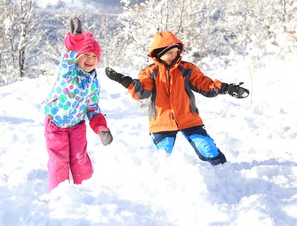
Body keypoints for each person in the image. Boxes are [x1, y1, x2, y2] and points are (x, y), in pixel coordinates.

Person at [105, 31, 249, 165]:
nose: (174, 55)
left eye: (176, 52)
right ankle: (160, 182)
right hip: (161, 122)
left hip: (189, 118)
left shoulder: (186, 69)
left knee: (207, 148)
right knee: (161, 156)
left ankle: (223, 171)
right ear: (159, 54)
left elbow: (204, 84)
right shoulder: (150, 72)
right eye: (170, 53)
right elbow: (141, 92)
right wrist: (124, 80)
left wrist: (227, 88)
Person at [43, 17, 113, 190]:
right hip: (56, 123)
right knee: (59, 159)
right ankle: (60, 194)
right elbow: (67, 55)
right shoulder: (68, 71)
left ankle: (86, 190)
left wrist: (101, 128)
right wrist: (76, 40)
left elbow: (93, 108)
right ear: (77, 57)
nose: (90, 59)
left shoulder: (93, 82)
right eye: (85, 55)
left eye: (94, 56)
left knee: (80, 157)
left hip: (77, 125)